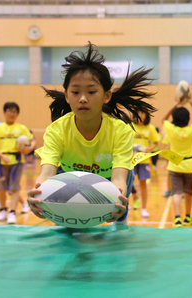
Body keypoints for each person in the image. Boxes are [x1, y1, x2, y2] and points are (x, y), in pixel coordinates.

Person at [27, 42, 157, 225]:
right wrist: (39, 191)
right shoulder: (56, 130)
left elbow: (119, 177)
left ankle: (121, 222)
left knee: (128, 174)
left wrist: (117, 199)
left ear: (107, 96)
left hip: (109, 178)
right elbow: (47, 173)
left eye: (91, 91)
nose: (82, 98)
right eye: (75, 91)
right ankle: (65, 221)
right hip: (69, 177)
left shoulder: (120, 130)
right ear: (66, 95)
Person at [0, 102, 35, 224]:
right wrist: (2, 155)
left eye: (15, 112)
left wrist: (29, 149)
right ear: (4, 112)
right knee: (2, 187)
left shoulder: (22, 128)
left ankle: (12, 212)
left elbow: (32, 141)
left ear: (18, 114)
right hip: (1, 162)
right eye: (9, 111)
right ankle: (3, 210)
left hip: (17, 162)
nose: (12, 114)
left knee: (14, 188)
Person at [163, 99, 192, 227]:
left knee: (177, 193)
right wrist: (191, 103)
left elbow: (163, 119)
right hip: (189, 166)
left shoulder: (172, 130)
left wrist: (175, 105)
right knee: (188, 192)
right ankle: (188, 218)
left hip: (174, 166)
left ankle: (177, 219)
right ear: (188, 119)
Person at [132, 111, 160, 217]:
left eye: (142, 113)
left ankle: (144, 208)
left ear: (145, 115)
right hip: (131, 160)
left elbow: (156, 143)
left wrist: (148, 149)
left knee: (143, 185)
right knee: (129, 183)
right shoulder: (130, 126)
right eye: (138, 113)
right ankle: (130, 202)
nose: (140, 115)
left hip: (144, 161)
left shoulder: (150, 128)